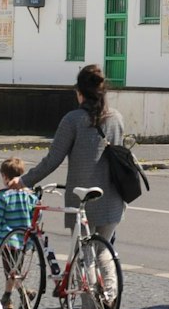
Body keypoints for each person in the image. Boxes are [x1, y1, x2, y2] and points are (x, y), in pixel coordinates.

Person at [10, 64, 129, 242]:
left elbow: (53, 159)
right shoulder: (116, 118)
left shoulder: (73, 120)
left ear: (80, 92)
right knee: (104, 254)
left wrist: (24, 180)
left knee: (85, 258)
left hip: (84, 202)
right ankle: (111, 272)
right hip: (113, 199)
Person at [0, 157, 40, 309]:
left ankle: (25, 294)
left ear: (4, 176)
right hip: (24, 240)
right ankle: (7, 298)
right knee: (13, 268)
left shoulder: (2, 196)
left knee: (11, 270)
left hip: (8, 240)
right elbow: (37, 216)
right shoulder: (31, 196)